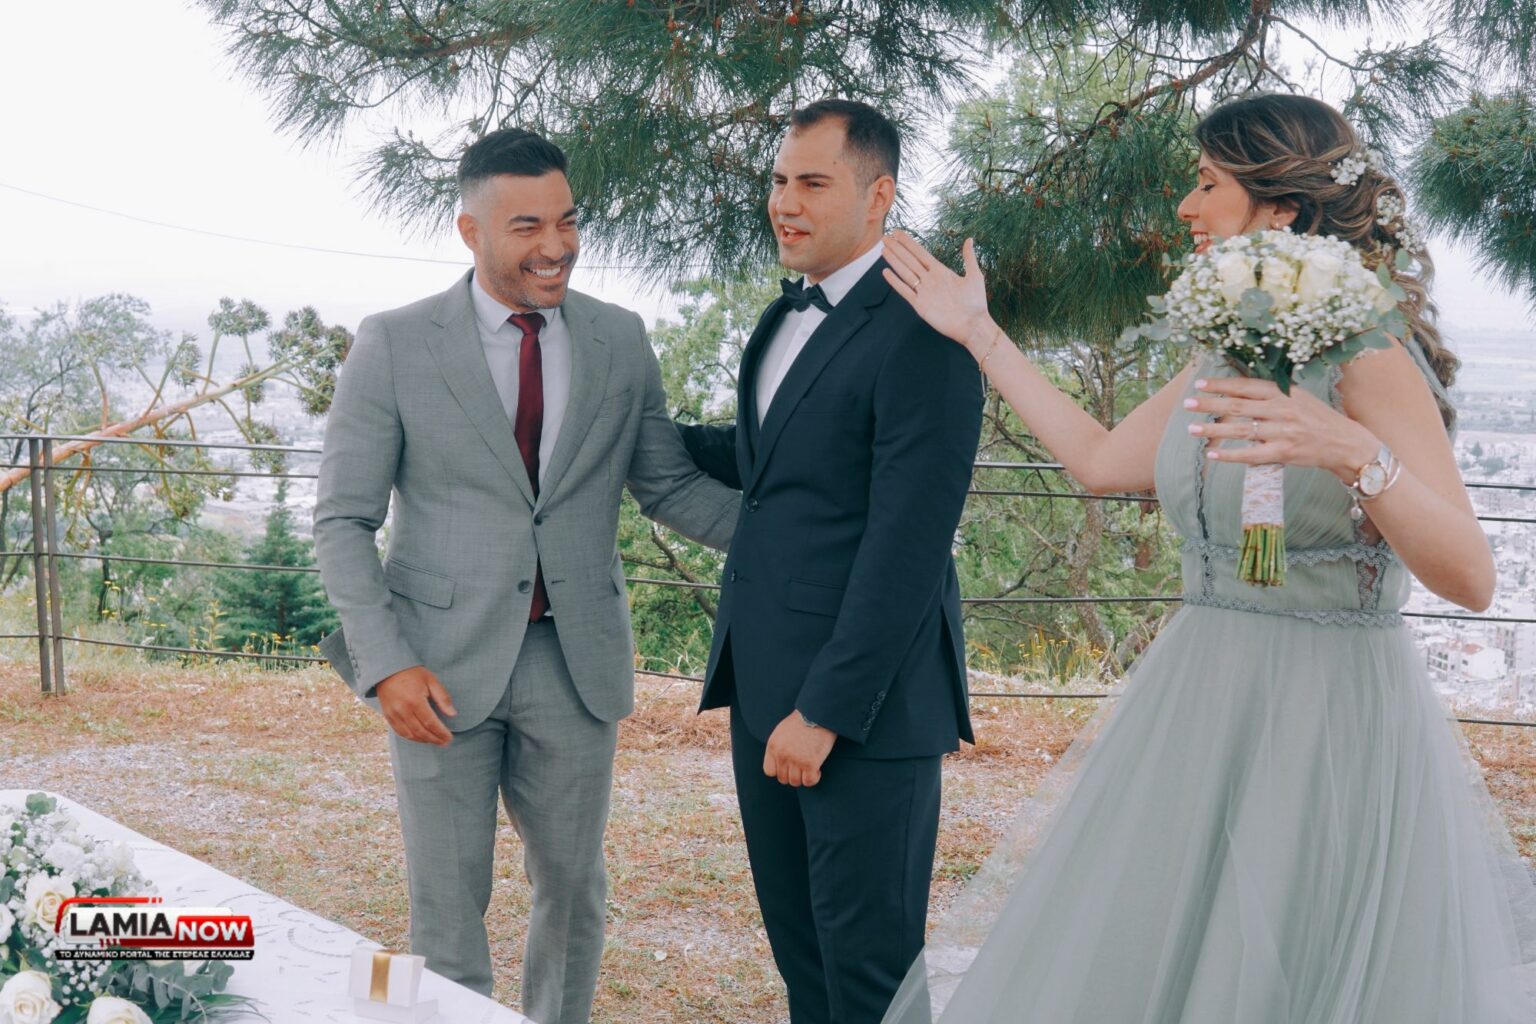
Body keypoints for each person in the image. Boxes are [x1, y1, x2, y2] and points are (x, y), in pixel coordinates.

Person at [877, 92, 1536, 1022]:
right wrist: (980, 333)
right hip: (1197, 706)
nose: (1185, 208)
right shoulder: (1229, 350)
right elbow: (1102, 461)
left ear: (1282, 209)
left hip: (1324, 725)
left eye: (1207, 184)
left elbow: (1472, 576)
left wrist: (1348, 449)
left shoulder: (1371, 355)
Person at [312, 128, 739, 1024]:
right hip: (433, 665)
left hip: (574, 663)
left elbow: (667, 486)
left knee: (576, 892)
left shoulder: (620, 338)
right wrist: (385, 665)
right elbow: (343, 521)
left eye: (567, 221)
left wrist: (808, 544)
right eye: (528, 227)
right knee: (445, 905)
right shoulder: (394, 343)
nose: (556, 246)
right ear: (470, 231)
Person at [676, 99, 984, 1024]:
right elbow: (769, 462)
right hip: (763, 689)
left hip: (862, 713)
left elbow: (908, 546)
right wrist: (628, 427)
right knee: (804, 962)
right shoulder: (784, 316)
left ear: (878, 195)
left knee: (871, 978)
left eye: (812, 183)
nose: (785, 202)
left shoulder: (924, 330)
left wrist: (825, 712)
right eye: (779, 181)